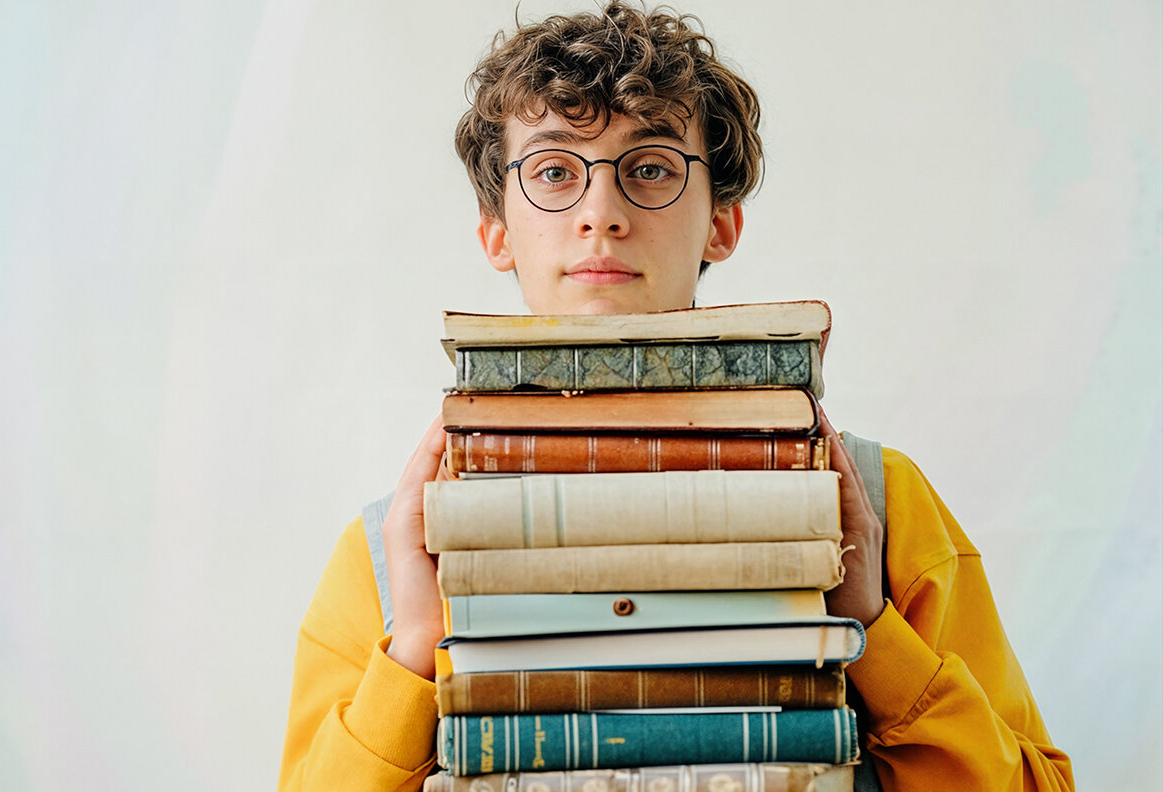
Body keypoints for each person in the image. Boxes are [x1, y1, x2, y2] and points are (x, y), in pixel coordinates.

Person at [277, 3, 1074, 790]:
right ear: (496, 231)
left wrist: (869, 628)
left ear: (721, 225)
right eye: (554, 171)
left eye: (650, 168)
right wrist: (415, 646)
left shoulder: (880, 508)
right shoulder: (389, 552)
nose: (601, 214)